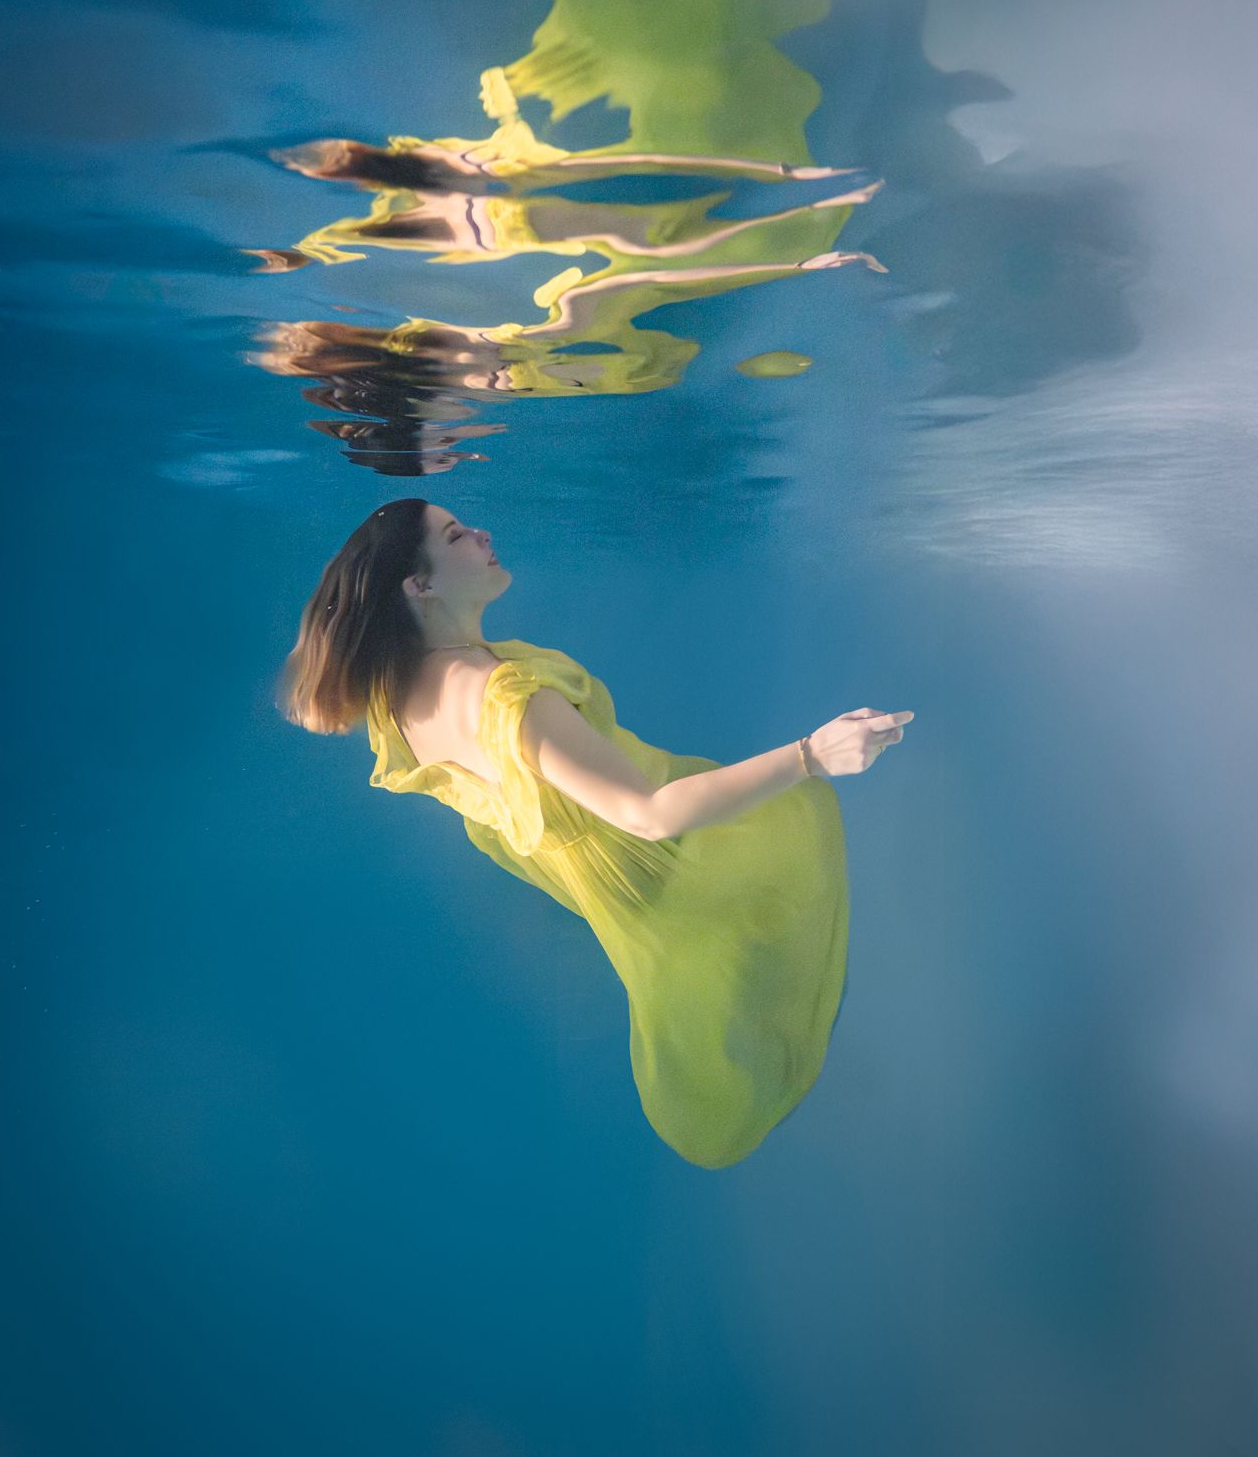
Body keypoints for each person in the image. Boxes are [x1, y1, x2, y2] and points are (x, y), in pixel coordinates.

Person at [279, 499, 913, 1170]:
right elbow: (650, 815)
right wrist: (811, 754)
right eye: (456, 535)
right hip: (686, 865)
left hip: (636, 911)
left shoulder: (394, 704)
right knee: (793, 864)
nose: (483, 533)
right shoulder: (507, 698)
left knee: (738, 1022)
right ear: (421, 585)